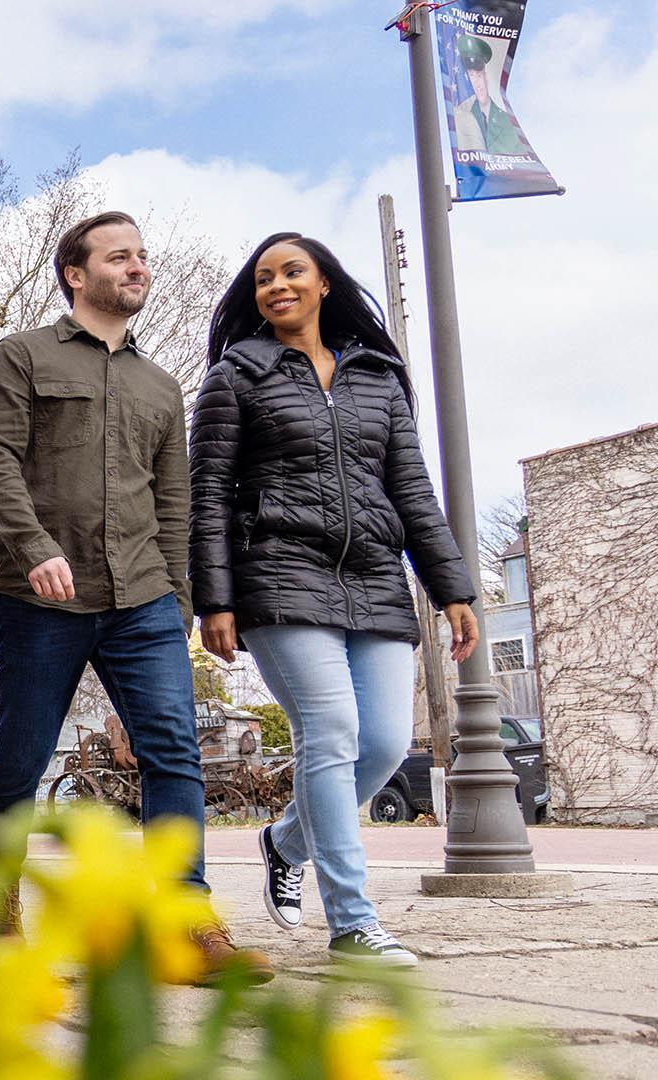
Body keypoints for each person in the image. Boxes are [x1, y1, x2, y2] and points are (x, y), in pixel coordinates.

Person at [0, 209, 271, 984]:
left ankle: (183, 924)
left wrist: (176, 601)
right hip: (42, 600)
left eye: (142, 255)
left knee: (174, 750)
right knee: (22, 756)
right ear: (77, 272)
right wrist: (33, 548)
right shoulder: (23, 357)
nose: (137, 267)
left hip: (142, 600)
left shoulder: (161, 386)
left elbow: (174, 502)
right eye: (119, 256)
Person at [190, 232, 479, 967]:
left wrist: (452, 589)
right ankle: (353, 924)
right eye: (263, 278)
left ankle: (284, 841)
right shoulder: (236, 376)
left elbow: (411, 490)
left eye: (292, 273)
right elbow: (209, 496)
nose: (276, 286)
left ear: (324, 284)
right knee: (332, 730)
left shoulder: (378, 378)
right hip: (279, 575)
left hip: (375, 577)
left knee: (382, 744)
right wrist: (214, 599)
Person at [451, 35, 528, 156]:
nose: (478, 84)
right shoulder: (461, 115)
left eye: (479, 76)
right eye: (471, 77)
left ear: (486, 77)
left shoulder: (506, 120)